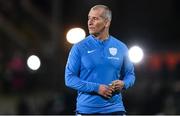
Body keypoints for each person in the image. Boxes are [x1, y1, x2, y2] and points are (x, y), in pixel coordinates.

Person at [65, 4, 135, 115]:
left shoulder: (121, 47)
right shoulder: (79, 47)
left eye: (95, 18)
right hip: (87, 110)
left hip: (115, 109)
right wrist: (97, 88)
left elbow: (130, 75)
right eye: (89, 18)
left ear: (107, 22)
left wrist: (124, 83)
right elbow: (69, 79)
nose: (89, 22)